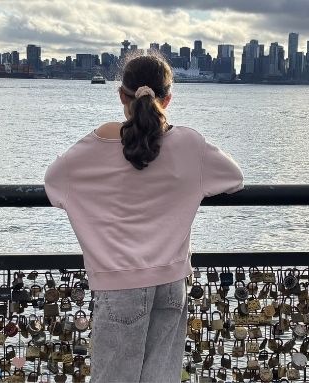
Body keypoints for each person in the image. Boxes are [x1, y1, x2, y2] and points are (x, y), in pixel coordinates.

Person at [44, 54, 244, 382]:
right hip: (171, 284)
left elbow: (55, 183)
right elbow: (234, 178)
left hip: (119, 284)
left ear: (121, 95)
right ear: (168, 99)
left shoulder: (94, 147)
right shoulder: (190, 144)